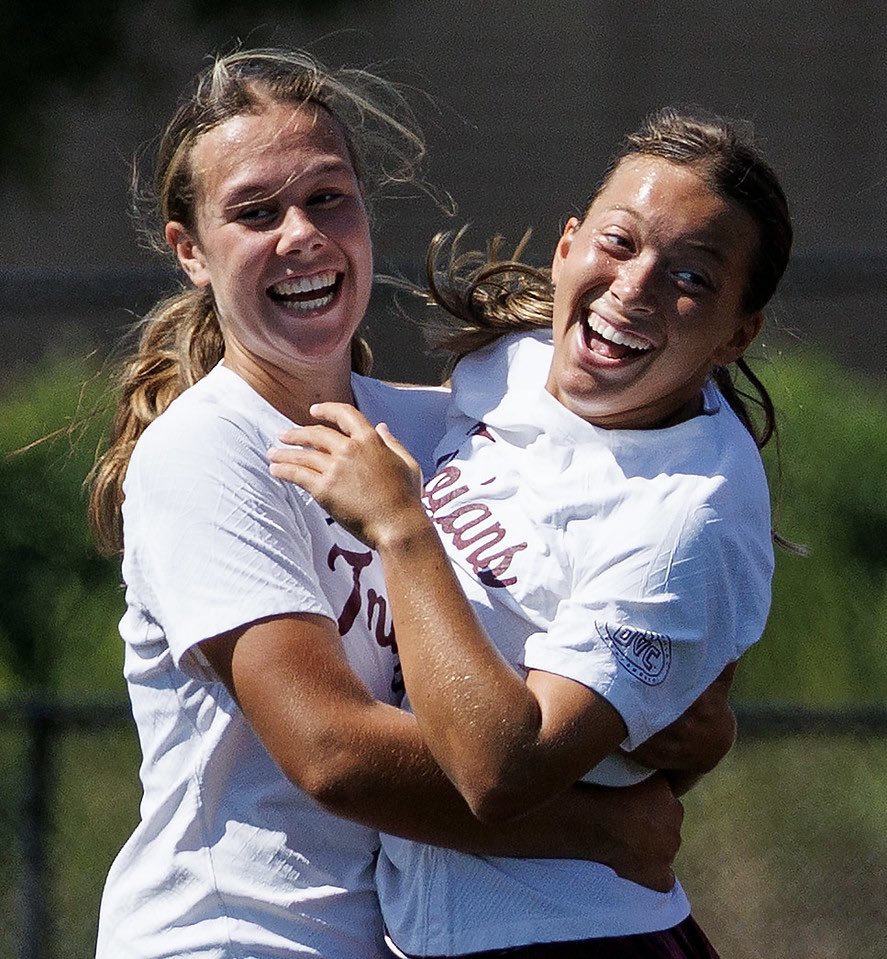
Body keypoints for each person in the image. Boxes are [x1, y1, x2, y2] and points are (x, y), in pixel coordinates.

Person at [88, 52, 731, 959]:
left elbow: (623, 683)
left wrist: (669, 701)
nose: (301, 233)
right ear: (189, 251)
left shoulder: (441, 432)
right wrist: (596, 825)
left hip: (394, 938)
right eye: (254, 212)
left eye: (327, 198)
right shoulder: (205, 452)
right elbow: (333, 754)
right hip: (231, 935)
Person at [269, 107, 793, 957]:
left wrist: (403, 527)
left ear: (737, 334)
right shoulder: (509, 365)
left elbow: (498, 772)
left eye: (691, 276)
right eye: (620, 242)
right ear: (566, 245)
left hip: (572, 938)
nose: (634, 285)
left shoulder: (687, 514)